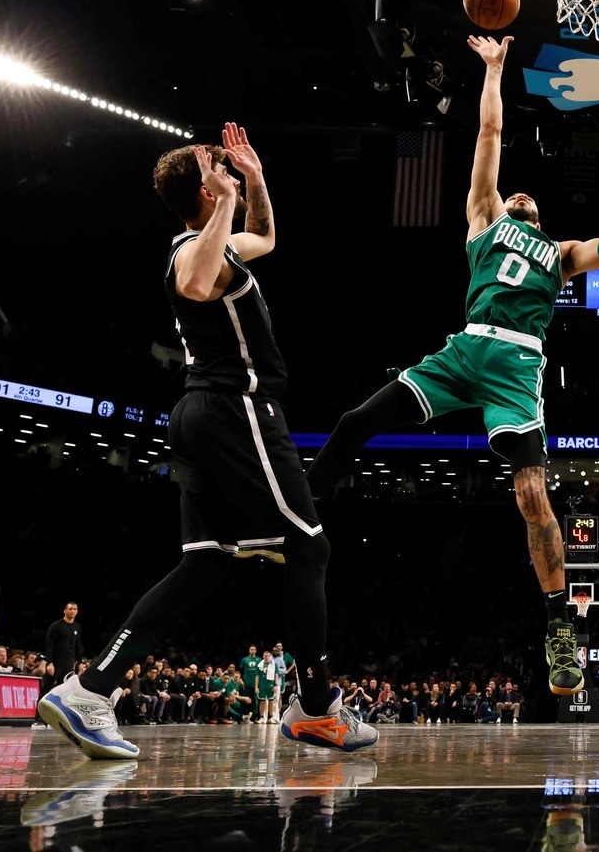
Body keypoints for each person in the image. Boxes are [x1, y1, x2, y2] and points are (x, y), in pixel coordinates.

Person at [303, 34, 599, 698]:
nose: (518, 193)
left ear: (540, 212)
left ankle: (558, 627)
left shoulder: (559, 252)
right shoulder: (482, 218)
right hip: (464, 348)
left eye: (528, 195)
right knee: (356, 419)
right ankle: (303, 507)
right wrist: (493, 69)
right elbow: (491, 130)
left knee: (531, 493)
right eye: (512, 192)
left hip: (517, 368)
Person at [36, 123, 375, 759]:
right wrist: (223, 202)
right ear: (203, 190)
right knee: (308, 548)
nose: (229, 182)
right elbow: (196, 284)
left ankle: (90, 689)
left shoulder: (214, 247)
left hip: (202, 414)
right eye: (218, 176)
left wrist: (255, 181)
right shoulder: (191, 254)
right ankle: (317, 707)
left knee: (207, 561)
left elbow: (268, 236)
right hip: (235, 410)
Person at [34, 602, 84, 728]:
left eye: (75, 609)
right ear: (64, 611)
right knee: (48, 689)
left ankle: (57, 719)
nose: (73, 611)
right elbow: (49, 644)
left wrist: (80, 662)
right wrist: (50, 663)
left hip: (69, 662)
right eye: (70, 609)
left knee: (64, 692)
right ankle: (39, 718)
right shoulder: (56, 626)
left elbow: (77, 645)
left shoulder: (77, 627)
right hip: (56, 661)